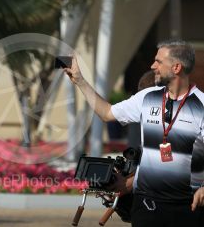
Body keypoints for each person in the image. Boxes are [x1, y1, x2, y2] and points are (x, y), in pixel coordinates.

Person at [64, 39, 204, 227]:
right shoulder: (147, 97)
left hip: (189, 209)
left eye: (159, 61)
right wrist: (79, 81)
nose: (153, 65)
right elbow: (106, 112)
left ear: (176, 67)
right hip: (146, 205)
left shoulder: (202, 106)